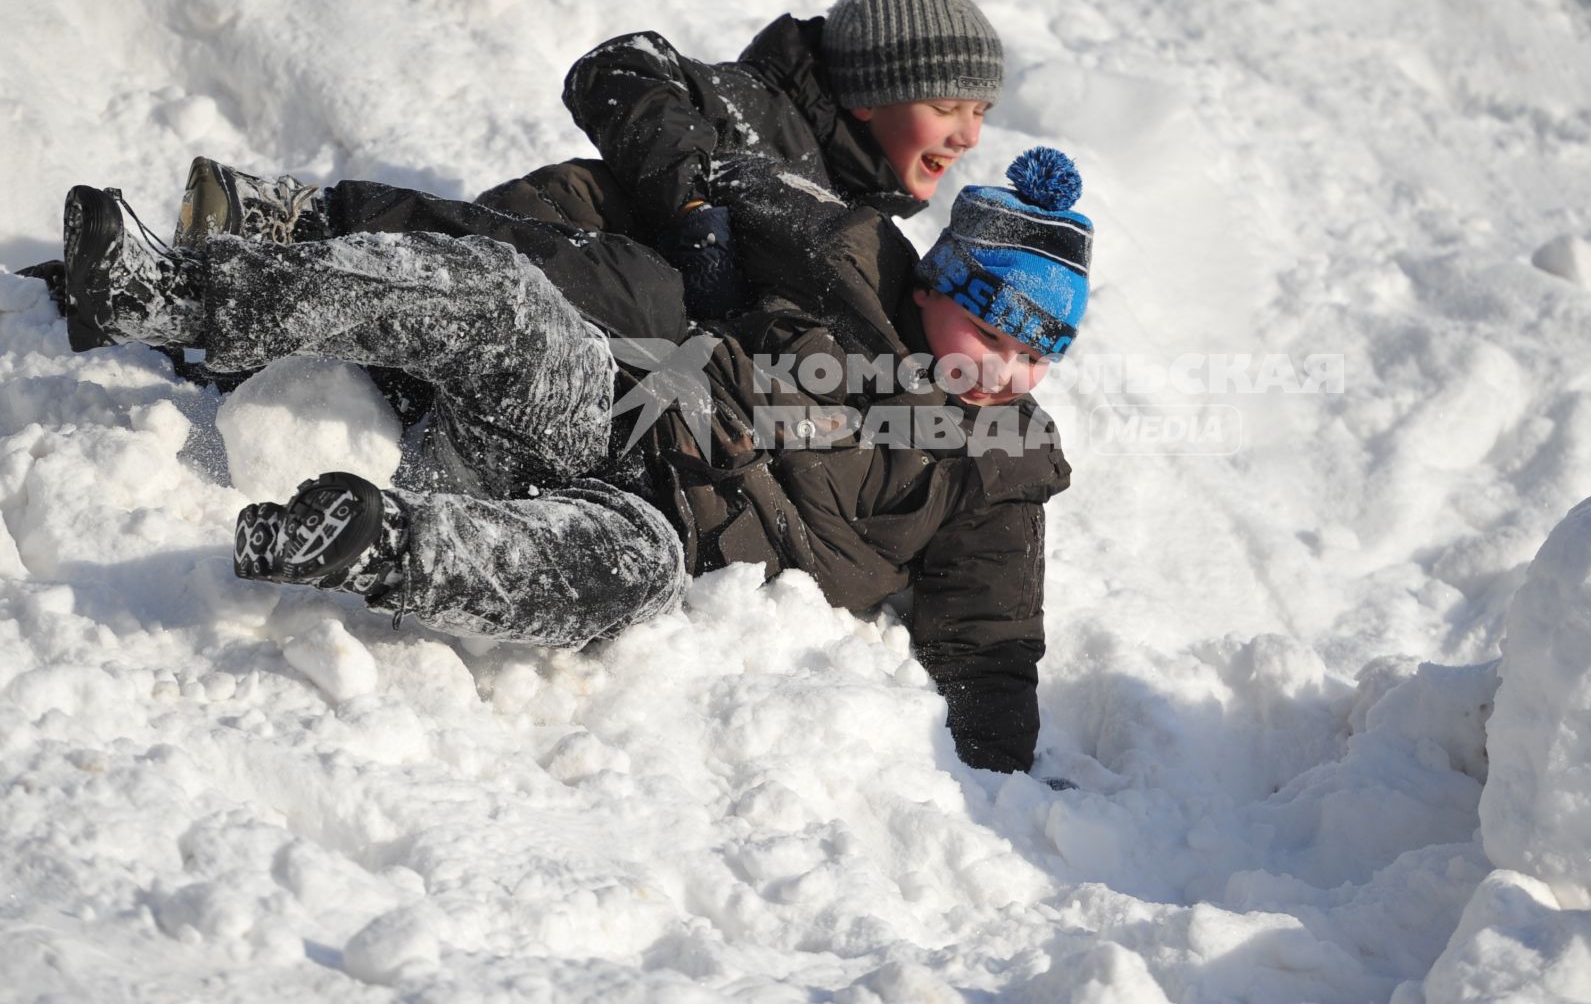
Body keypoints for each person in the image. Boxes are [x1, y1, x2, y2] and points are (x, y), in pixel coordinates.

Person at [57, 147, 1091, 775]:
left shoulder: (996, 457)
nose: (1015, 373)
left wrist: (1002, 762)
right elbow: (696, 161)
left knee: (616, 576)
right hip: (622, 405)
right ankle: (179, 293)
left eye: (1041, 355)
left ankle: (371, 542)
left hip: (676, 534)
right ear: (938, 287)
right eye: (998, 334)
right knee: (501, 299)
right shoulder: (845, 271)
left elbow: (993, 637)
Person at [171, 0, 1004, 320]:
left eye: (982, 113)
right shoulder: (763, 111)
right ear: (868, 94)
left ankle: (218, 305)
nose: (968, 134)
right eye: (948, 105)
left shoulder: (851, 211)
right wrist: (692, 211)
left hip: (574, 314)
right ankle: (280, 222)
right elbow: (619, 66)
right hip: (548, 242)